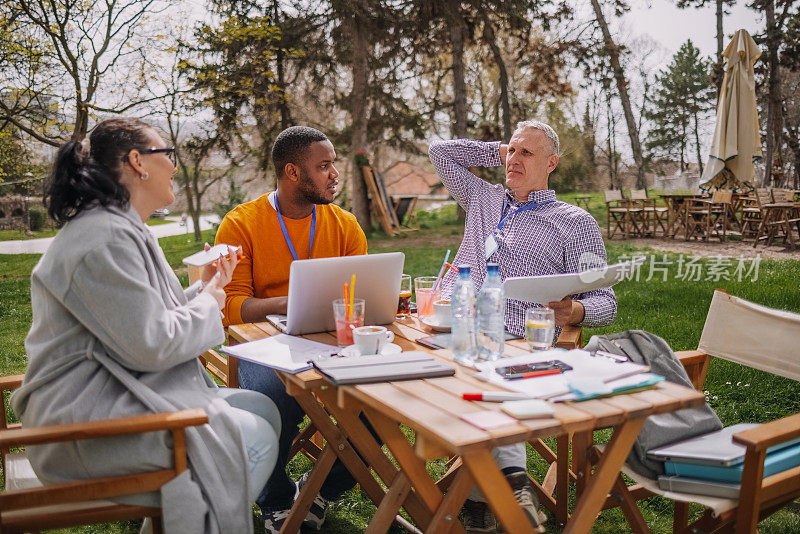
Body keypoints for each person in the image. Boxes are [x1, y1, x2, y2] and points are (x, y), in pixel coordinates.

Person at [11, 118, 280, 534]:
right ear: (137, 162)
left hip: (117, 397)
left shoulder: (120, 228)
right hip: (83, 428)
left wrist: (208, 288)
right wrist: (210, 301)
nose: (174, 166)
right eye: (167, 154)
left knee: (264, 409)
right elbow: (153, 345)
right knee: (255, 437)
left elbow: (143, 320)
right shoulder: (103, 239)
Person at [429, 120, 617, 533]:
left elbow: (606, 301)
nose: (515, 159)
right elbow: (440, 151)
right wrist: (502, 151)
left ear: (551, 164)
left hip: (519, 342)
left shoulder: (574, 222)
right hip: (453, 330)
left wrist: (576, 313)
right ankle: (510, 487)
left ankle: (487, 495)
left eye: (527, 153)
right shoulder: (483, 197)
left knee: (496, 381)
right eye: (512, 151)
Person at [214, 125, 367, 533]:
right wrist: (295, 300)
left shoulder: (345, 224)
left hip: (334, 342)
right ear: (293, 173)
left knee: (381, 400)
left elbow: (362, 293)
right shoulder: (242, 223)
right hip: (265, 346)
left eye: (334, 164)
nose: (335, 174)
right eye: (324, 166)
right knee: (271, 397)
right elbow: (230, 308)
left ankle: (319, 492)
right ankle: (277, 500)